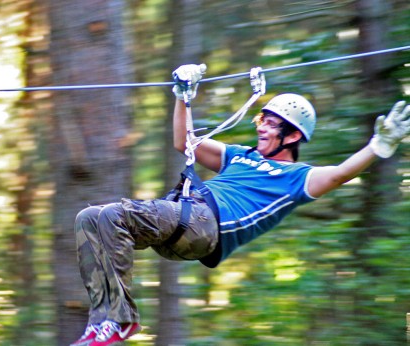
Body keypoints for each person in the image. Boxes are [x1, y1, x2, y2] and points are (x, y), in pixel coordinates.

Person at [70, 64, 410, 346]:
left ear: (291, 136)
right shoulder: (239, 156)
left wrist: (378, 147)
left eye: (270, 123)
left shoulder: (295, 177)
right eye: (260, 120)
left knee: (114, 215)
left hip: (206, 227)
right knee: (90, 218)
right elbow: (182, 142)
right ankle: (106, 324)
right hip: (181, 223)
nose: (261, 128)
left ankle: (120, 321)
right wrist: (182, 96)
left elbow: (337, 175)